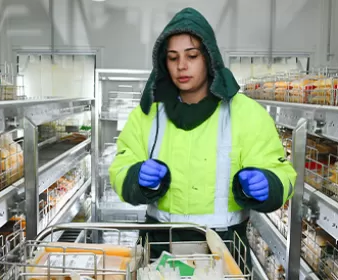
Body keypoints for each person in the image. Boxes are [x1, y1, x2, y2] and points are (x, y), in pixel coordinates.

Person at [109, 7, 296, 271]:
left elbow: (282, 172)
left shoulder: (245, 114)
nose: (181, 66)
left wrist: (270, 183)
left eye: (192, 56)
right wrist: (134, 177)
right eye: (172, 58)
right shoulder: (149, 115)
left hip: (225, 248)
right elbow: (119, 167)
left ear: (209, 57)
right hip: (159, 248)